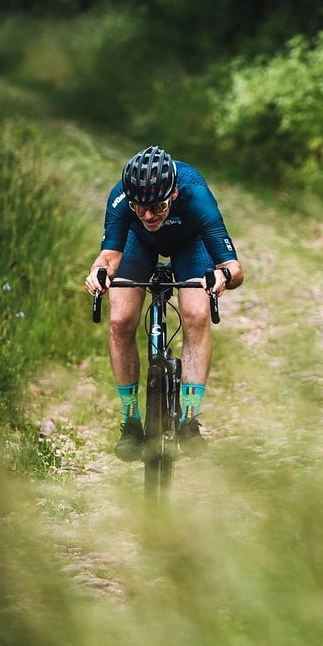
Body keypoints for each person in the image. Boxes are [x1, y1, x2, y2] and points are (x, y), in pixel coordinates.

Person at [85, 145, 242, 460]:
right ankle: (131, 421)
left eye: (156, 206)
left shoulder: (195, 195)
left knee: (196, 314)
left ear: (172, 195)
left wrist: (221, 278)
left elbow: (233, 268)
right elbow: (109, 257)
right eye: (139, 207)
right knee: (120, 320)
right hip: (137, 243)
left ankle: (189, 420)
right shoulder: (121, 198)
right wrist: (98, 273)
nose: (147, 215)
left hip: (190, 243)